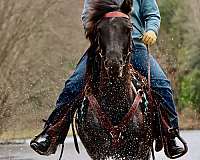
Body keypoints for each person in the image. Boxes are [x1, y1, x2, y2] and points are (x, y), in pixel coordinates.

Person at [30, 0, 186, 158]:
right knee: (73, 85)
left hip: (134, 45)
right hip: (103, 47)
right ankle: (51, 133)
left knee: (161, 85)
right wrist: (99, 31)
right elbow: (86, 17)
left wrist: (151, 30)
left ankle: (171, 135)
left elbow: (152, 14)